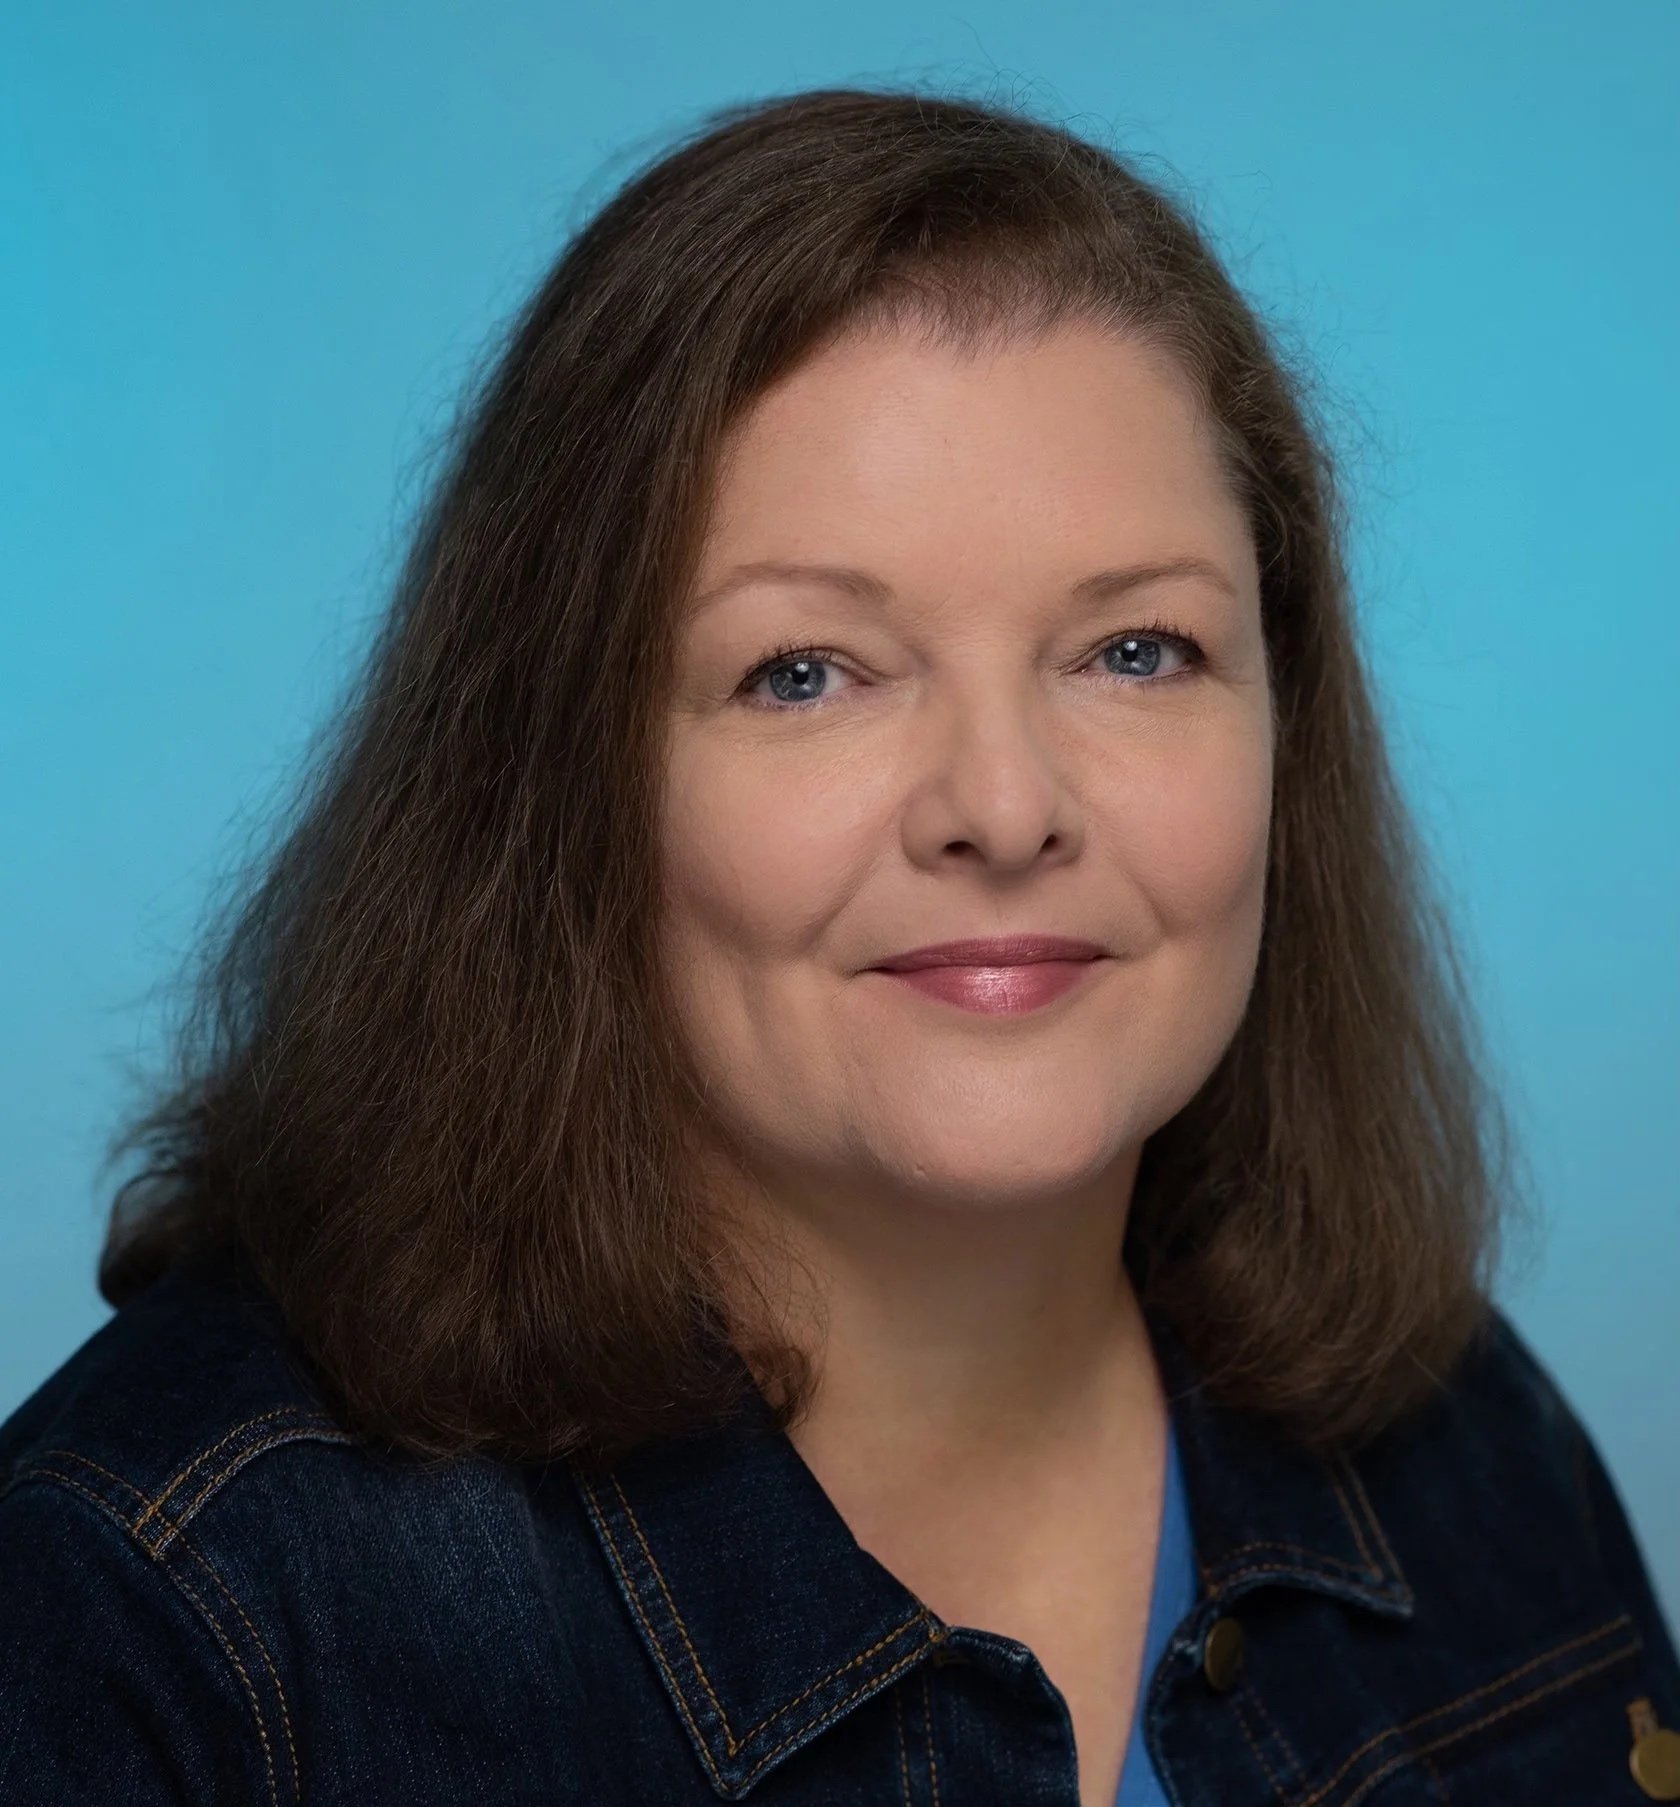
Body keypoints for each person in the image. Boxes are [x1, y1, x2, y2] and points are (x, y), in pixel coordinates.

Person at [1, 84, 1676, 1807]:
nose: (1007, 806)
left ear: (1284, 720)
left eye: (1136, 652)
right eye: (805, 671)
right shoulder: (174, 1603)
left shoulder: (1466, 1442)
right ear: (560, 778)